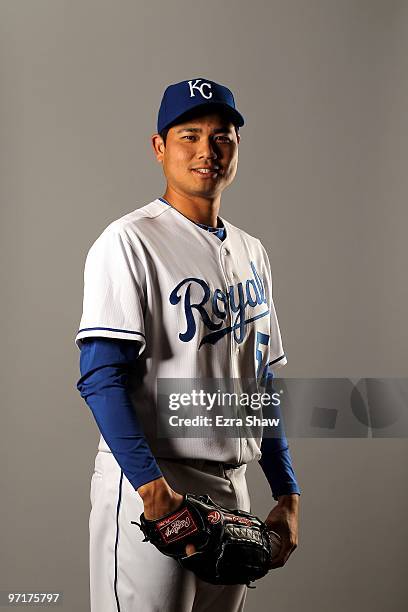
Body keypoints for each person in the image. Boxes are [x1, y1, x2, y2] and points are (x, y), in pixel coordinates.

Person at [75, 77, 301, 612]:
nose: (206, 151)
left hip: (233, 488)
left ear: (237, 147)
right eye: (189, 135)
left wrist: (287, 491)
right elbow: (100, 377)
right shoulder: (128, 242)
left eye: (221, 136)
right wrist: (152, 493)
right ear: (160, 147)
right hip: (155, 483)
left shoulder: (252, 251)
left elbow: (259, 384)